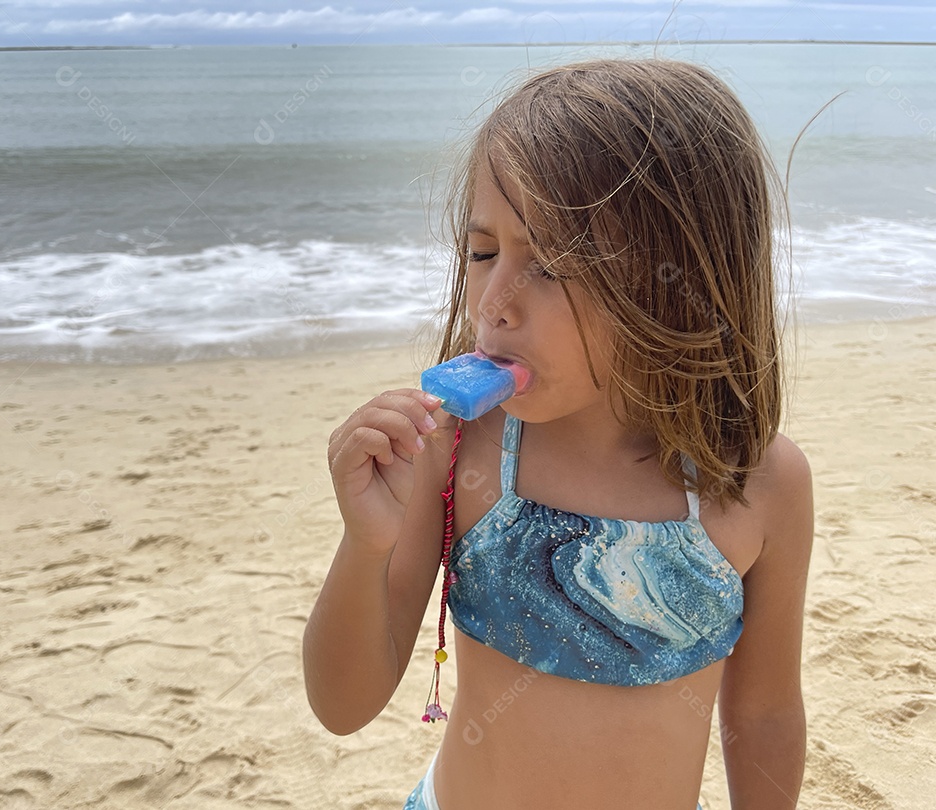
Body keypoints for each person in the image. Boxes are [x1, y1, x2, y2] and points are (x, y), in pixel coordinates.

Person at [303, 58, 813, 810]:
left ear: (683, 278)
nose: (494, 302)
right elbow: (342, 707)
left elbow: (764, 714)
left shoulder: (759, 484)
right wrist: (365, 542)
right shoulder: (460, 450)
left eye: (550, 265)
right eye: (482, 254)